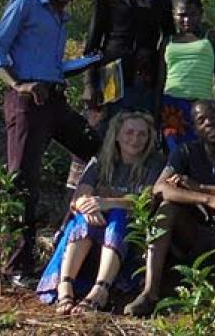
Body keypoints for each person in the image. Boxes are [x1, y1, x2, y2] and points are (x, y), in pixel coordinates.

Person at [0, 0, 100, 286]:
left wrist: (95, 59)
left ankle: (71, 228)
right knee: (23, 181)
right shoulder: (25, 5)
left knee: (98, 148)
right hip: (26, 101)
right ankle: (17, 265)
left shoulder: (63, 18)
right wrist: (17, 84)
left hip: (54, 100)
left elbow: (55, 66)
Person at [123, 100, 215, 317]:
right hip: (192, 233)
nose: (209, 123)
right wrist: (206, 199)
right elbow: (159, 188)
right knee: (167, 208)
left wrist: (202, 187)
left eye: (213, 116)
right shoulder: (186, 151)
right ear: (194, 129)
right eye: (201, 120)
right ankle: (149, 293)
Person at [37, 111, 165, 314]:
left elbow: (146, 201)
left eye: (142, 134)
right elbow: (80, 196)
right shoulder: (100, 161)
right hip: (90, 228)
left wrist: (106, 202)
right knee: (82, 218)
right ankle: (65, 284)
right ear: (116, 135)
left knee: (117, 217)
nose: (135, 139)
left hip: (127, 233)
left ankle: (101, 288)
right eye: (129, 132)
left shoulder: (155, 163)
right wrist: (88, 207)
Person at [81, 0, 174, 138]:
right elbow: (93, 44)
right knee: (107, 139)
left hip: (147, 82)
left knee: (141, 139)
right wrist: (89, 85)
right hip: (112, 79)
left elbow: (169, 43)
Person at [156, 0, 215, 151]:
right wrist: (156, 114)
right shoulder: (168, 41)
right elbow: (161, 80)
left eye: (192, 14)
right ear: (173, 15)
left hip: (203, 105)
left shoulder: (210, 38)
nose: (187, 20)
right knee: (175, 153)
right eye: (181, 15)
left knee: (202, 152)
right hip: (172, 106)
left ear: (201, 13)